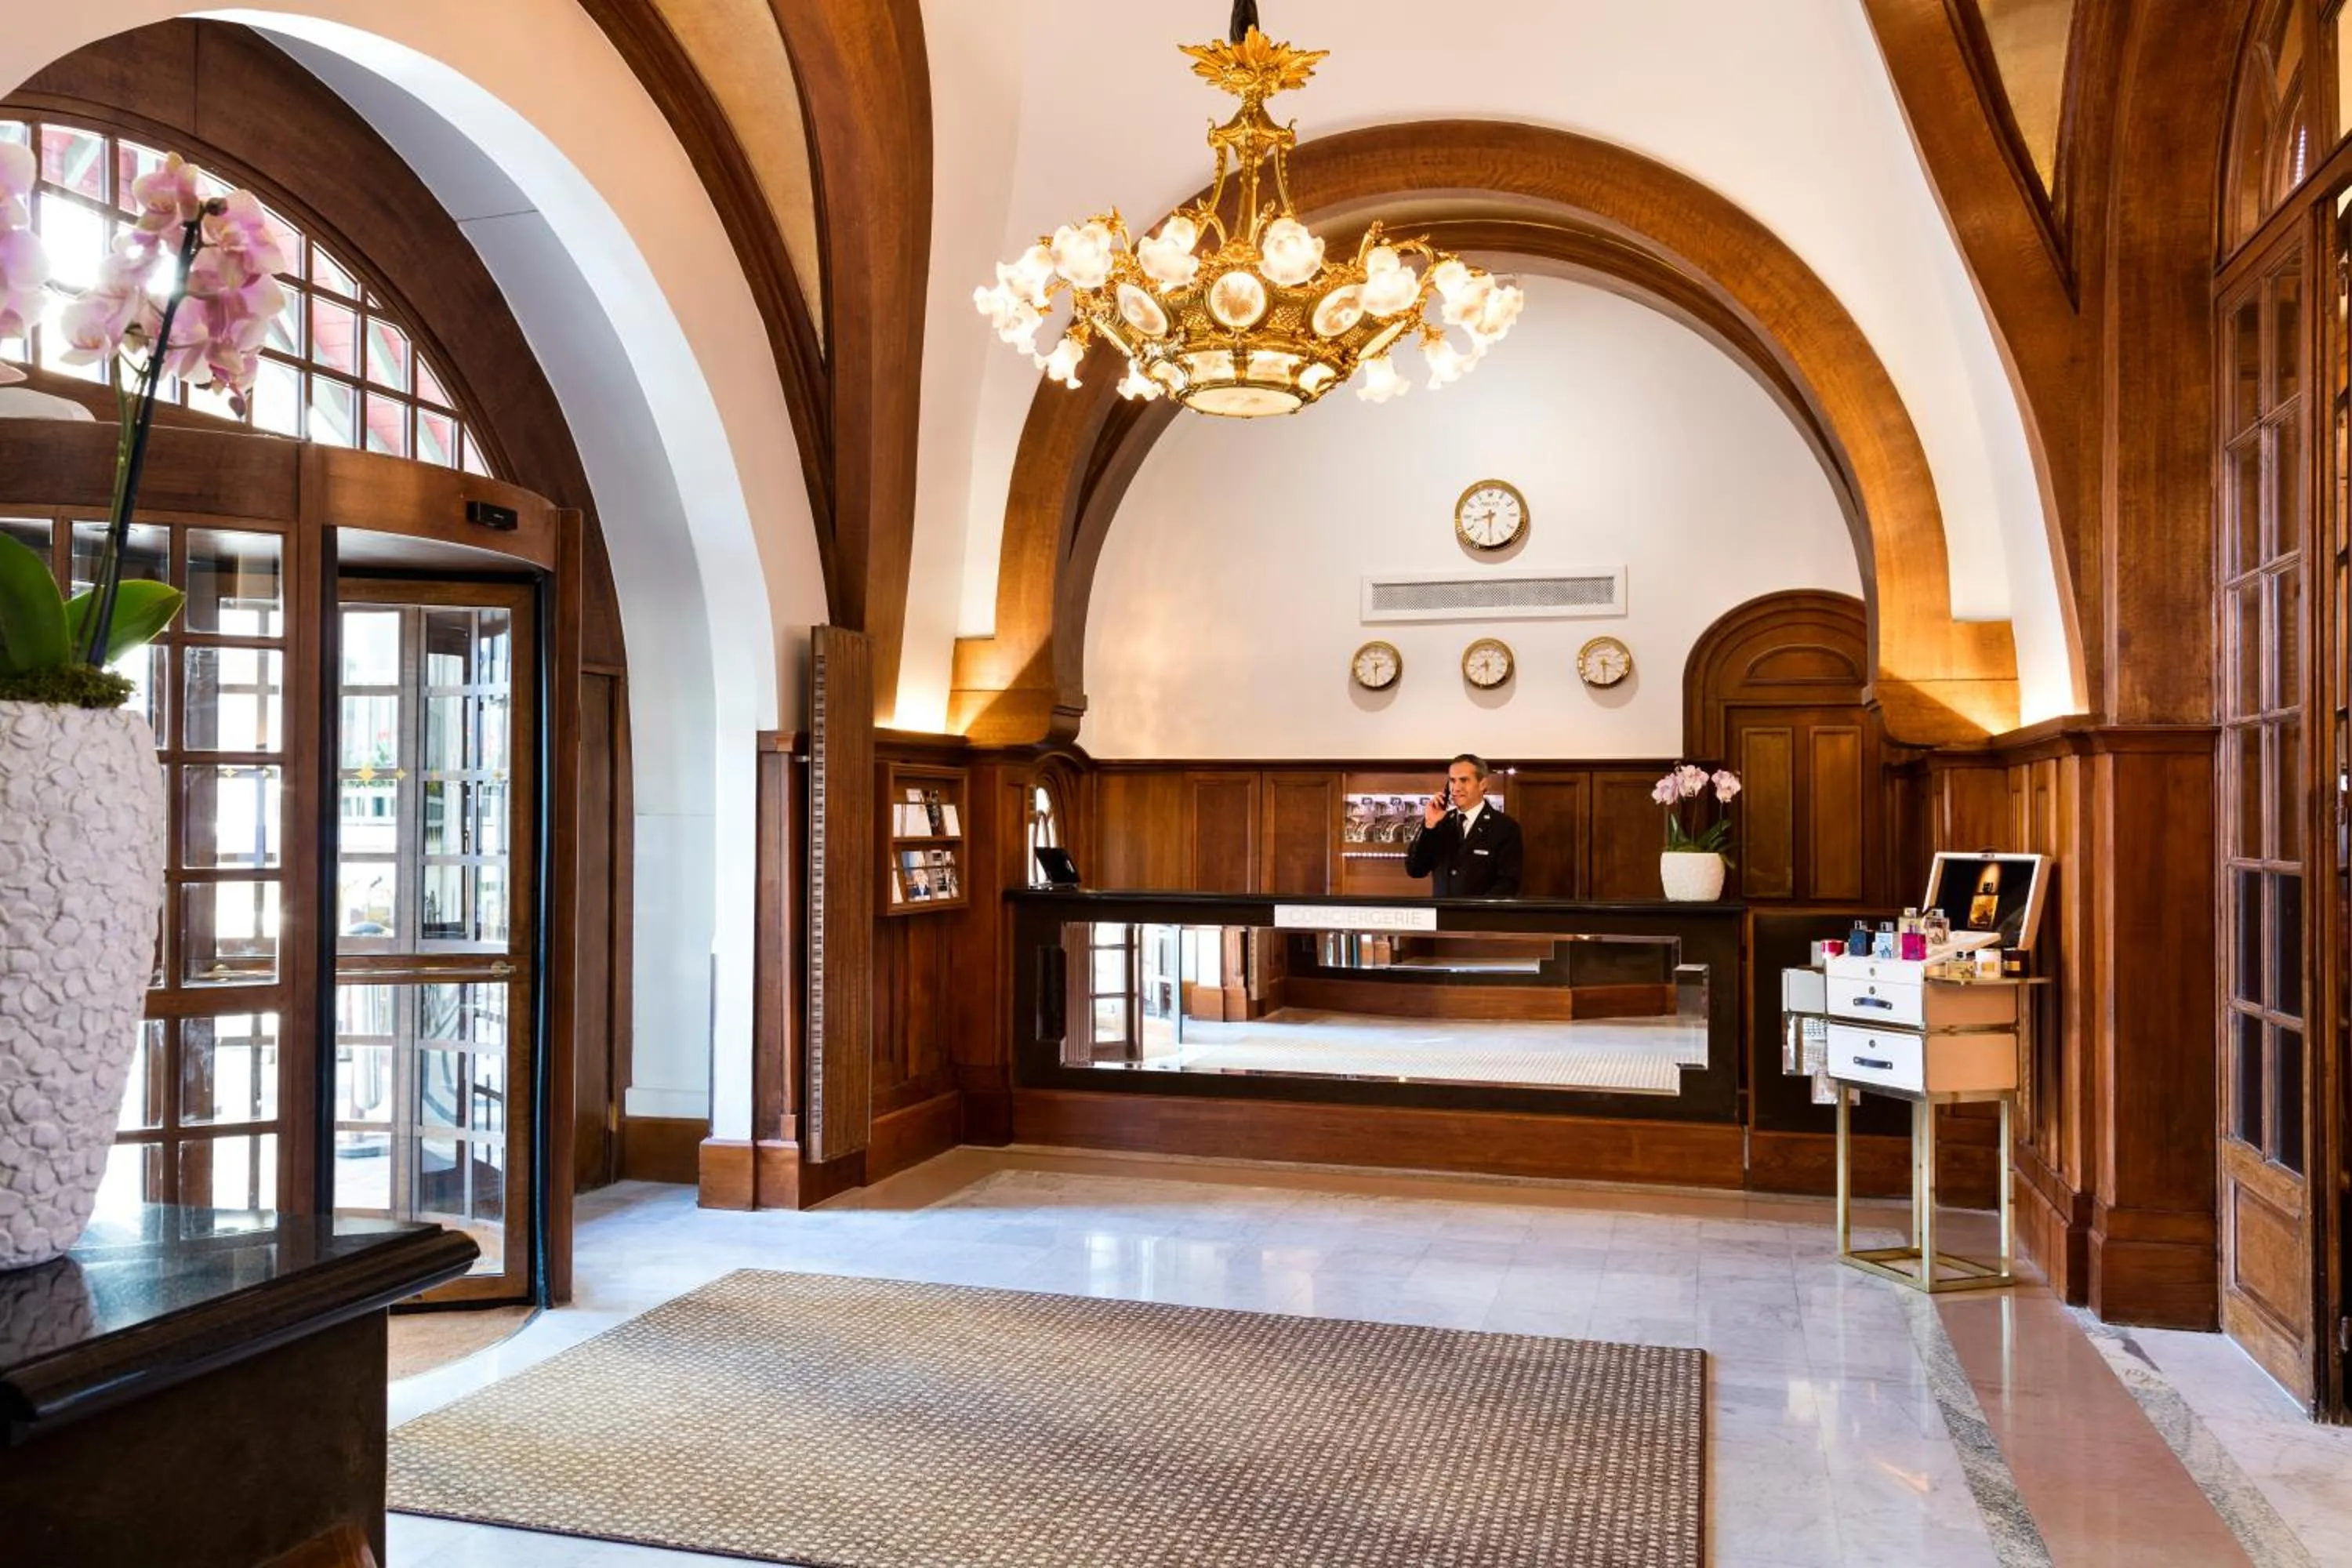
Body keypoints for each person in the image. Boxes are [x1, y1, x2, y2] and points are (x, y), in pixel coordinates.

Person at [1404, 753, 1523, 897]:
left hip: (1479, 917)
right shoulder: (1441, 822)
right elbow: (1415, 870)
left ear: (1483, 784)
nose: (1456, 788)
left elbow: (1508, 884)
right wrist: (1429, 826)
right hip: (1443, 915)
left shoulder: (1505, 828)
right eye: (1452, 781)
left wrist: (1474, 914)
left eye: (1464, 780)